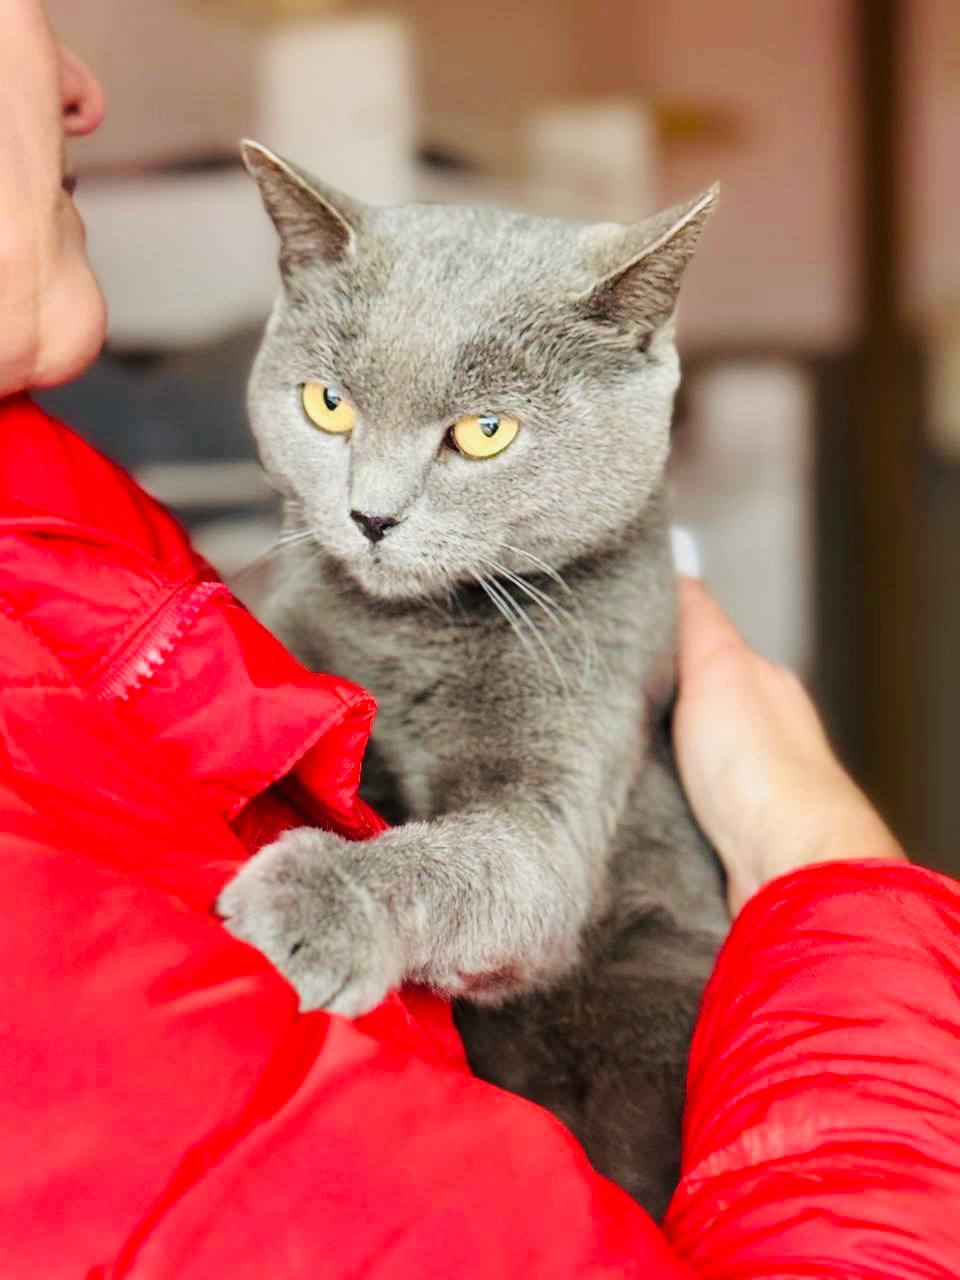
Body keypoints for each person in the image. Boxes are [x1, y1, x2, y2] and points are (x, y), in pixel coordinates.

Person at [2, 3, 959, 1275]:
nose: (372, 501)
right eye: (332, 407)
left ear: (636, 351)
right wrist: (821, 846)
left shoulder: (585, 602)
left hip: (619, 1100)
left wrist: (375, 897)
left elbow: (536, 876)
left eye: (478, 433)